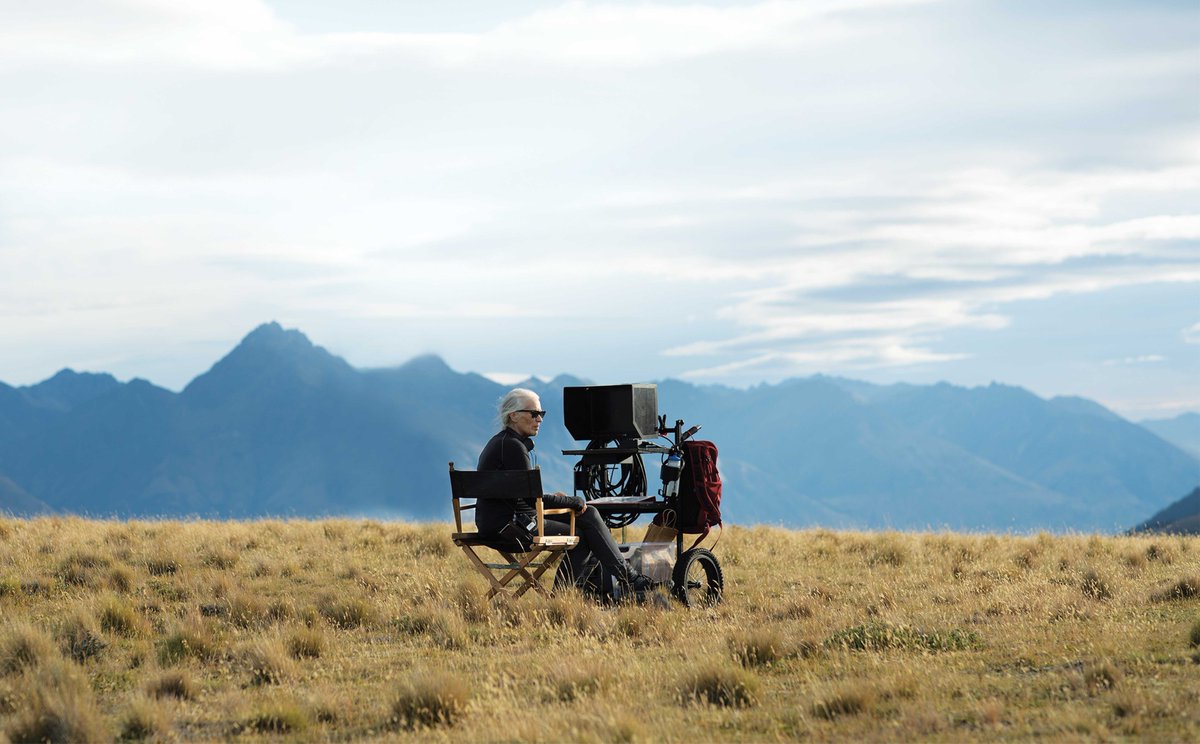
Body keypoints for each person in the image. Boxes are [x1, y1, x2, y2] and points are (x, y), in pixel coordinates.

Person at [477, 388, 651, 594]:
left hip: (499, 524)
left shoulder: (501, 443)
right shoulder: (513, 447)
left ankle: (626, 578)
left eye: (541, 414)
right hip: (511, 528)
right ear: (513, 416)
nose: (539, 419)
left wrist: (564, 501)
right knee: (582, 533)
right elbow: (532, 499)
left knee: (588, 517)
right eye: (533, 414)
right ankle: (618, 581)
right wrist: (572, 502)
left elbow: (524, 495)